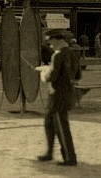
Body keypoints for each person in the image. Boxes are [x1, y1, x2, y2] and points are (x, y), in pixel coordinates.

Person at [39, 29, 80, 167]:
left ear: (56, 40)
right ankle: (49, 152)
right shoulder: (72, 53)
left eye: (50, 42)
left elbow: (52, 77)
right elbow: (78, 75)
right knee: (49, 122)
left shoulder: (57, 55)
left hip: (57, 95)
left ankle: (69, 157)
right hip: (68, 92)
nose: (50, 45)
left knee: (61, 126)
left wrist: (44, 73)